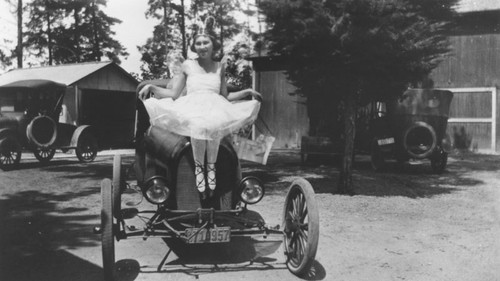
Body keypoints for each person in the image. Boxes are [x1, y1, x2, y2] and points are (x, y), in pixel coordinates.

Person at [138, 18, 262, 200]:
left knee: (213, 126)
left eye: (206, 42)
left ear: (213, 45)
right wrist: (152, 88)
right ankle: (199, 168)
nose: (202, 46)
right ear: (194, 46)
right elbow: (174, 93)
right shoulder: (188, 65)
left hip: (214, 104)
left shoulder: (220, 67)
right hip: (193, 104)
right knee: (198, 124)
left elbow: (225, 96)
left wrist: (247, 91)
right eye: (198, 43)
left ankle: (211, 167)